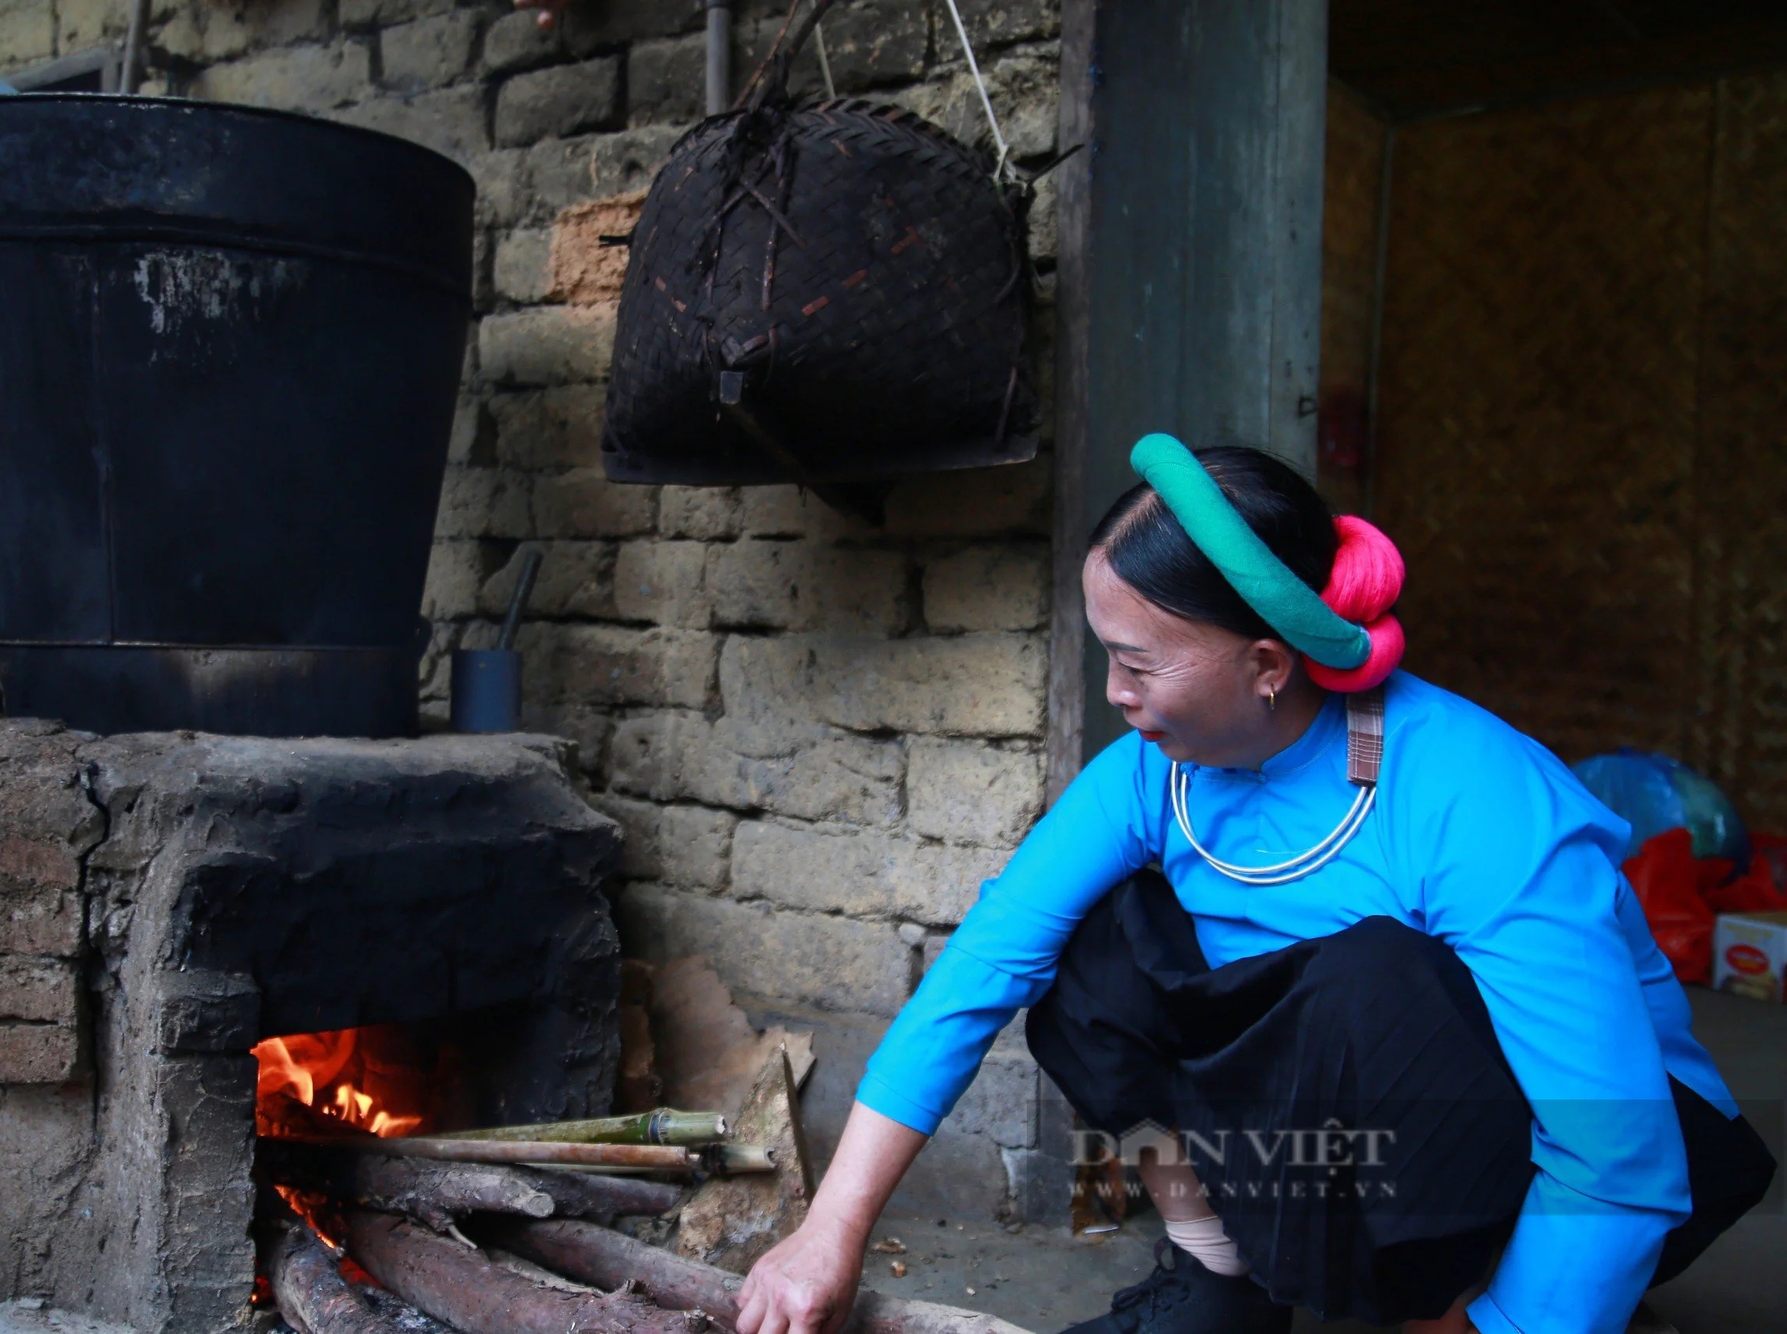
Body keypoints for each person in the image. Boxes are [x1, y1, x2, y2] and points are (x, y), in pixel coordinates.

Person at [733, 437, 1776, 1334]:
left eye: (1138, 663)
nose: (1113, 694)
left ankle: (1466, 1299)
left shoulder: (1474, 799)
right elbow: (978, 970)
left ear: (1266, 664)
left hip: (1611, 1146)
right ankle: (1217, 1279)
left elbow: (1616, 1151)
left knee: (1372, 975)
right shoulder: (1156, 770)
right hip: (1354, 1118)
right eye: (1106, 655)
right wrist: (830, 1229)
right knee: (1087, 949)